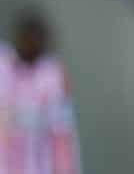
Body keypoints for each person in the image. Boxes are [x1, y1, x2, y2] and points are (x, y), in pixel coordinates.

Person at [0, 11, 81, 174]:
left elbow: (62, 132)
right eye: (28, 38)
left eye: (37, 39)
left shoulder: (52, 74)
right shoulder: (3, 65)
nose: (32, 43)